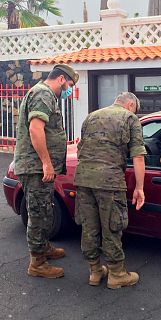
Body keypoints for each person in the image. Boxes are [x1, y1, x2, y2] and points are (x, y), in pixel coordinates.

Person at [74, 92, 146, 289]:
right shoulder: (130, 118)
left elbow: (81, 150)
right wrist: (139, 188)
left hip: (83, 179)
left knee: (89, 227)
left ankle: (95, 271)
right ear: (130, 104)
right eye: (135, 109)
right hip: (110, 182)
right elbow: (138, 157)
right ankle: (117, 274)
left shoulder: (91, 116)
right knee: (112, 226)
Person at [14, 64, 79, 278]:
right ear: (61, 79)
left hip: (37, 167)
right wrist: (46, 163)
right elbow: (35, 128)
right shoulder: (44, 93)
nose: (68, 90)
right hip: (35, 168)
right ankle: (37, 263)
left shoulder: (44, 94)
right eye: (69, 85)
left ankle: (43, 247)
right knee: (39, 214)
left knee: (45, 209)